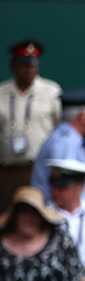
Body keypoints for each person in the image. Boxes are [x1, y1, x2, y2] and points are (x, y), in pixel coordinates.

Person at [0, 186, 85, 281]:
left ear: (42, 216)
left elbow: (83, 279)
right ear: (14, 215)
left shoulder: (60, 241)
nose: (29, 217)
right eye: (24, 211)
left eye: (34, 212)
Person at [0, 39, 61, 210]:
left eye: (33, 65)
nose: (29, 69)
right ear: (13, 65)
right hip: (8, 171)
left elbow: (59, 128)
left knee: (40, 215)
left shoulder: (51, 92)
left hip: (40, 171)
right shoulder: (2, 93)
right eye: (24, 64)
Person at [31, 87, 85, 204]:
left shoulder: (69, 138)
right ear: (82, 116)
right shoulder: (66, 142)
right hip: (62, 212)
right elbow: (64, 193)